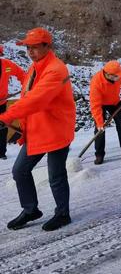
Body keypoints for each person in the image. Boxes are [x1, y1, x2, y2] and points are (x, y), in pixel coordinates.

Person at [0, 28, 75, 231]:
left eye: (34, 47)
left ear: (46, 46)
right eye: (27, 48)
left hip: (57, 129)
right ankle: (31, 209)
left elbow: (37, 99)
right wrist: (22, 126)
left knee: (56, 175)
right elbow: (27, 97)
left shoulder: (55, 70)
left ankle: (63, 214)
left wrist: (6, 116)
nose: (30, 52)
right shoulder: (35, 67)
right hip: (38, 129)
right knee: (19, 171)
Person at [89, 60, 121, 165]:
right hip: (100, 104)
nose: (119, 78)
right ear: (108, 75)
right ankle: (99, 154)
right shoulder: (96, 82)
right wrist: (100, 122)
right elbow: (95, 104)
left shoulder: (118, 74)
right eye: (116, 76)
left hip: (115, 102)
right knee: (100, 129)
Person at [0, 45, 26, 159]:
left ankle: (1, 153)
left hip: (1, 103)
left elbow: (21, 74)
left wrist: (26, 88)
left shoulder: (7, 65)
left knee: (2, 127)